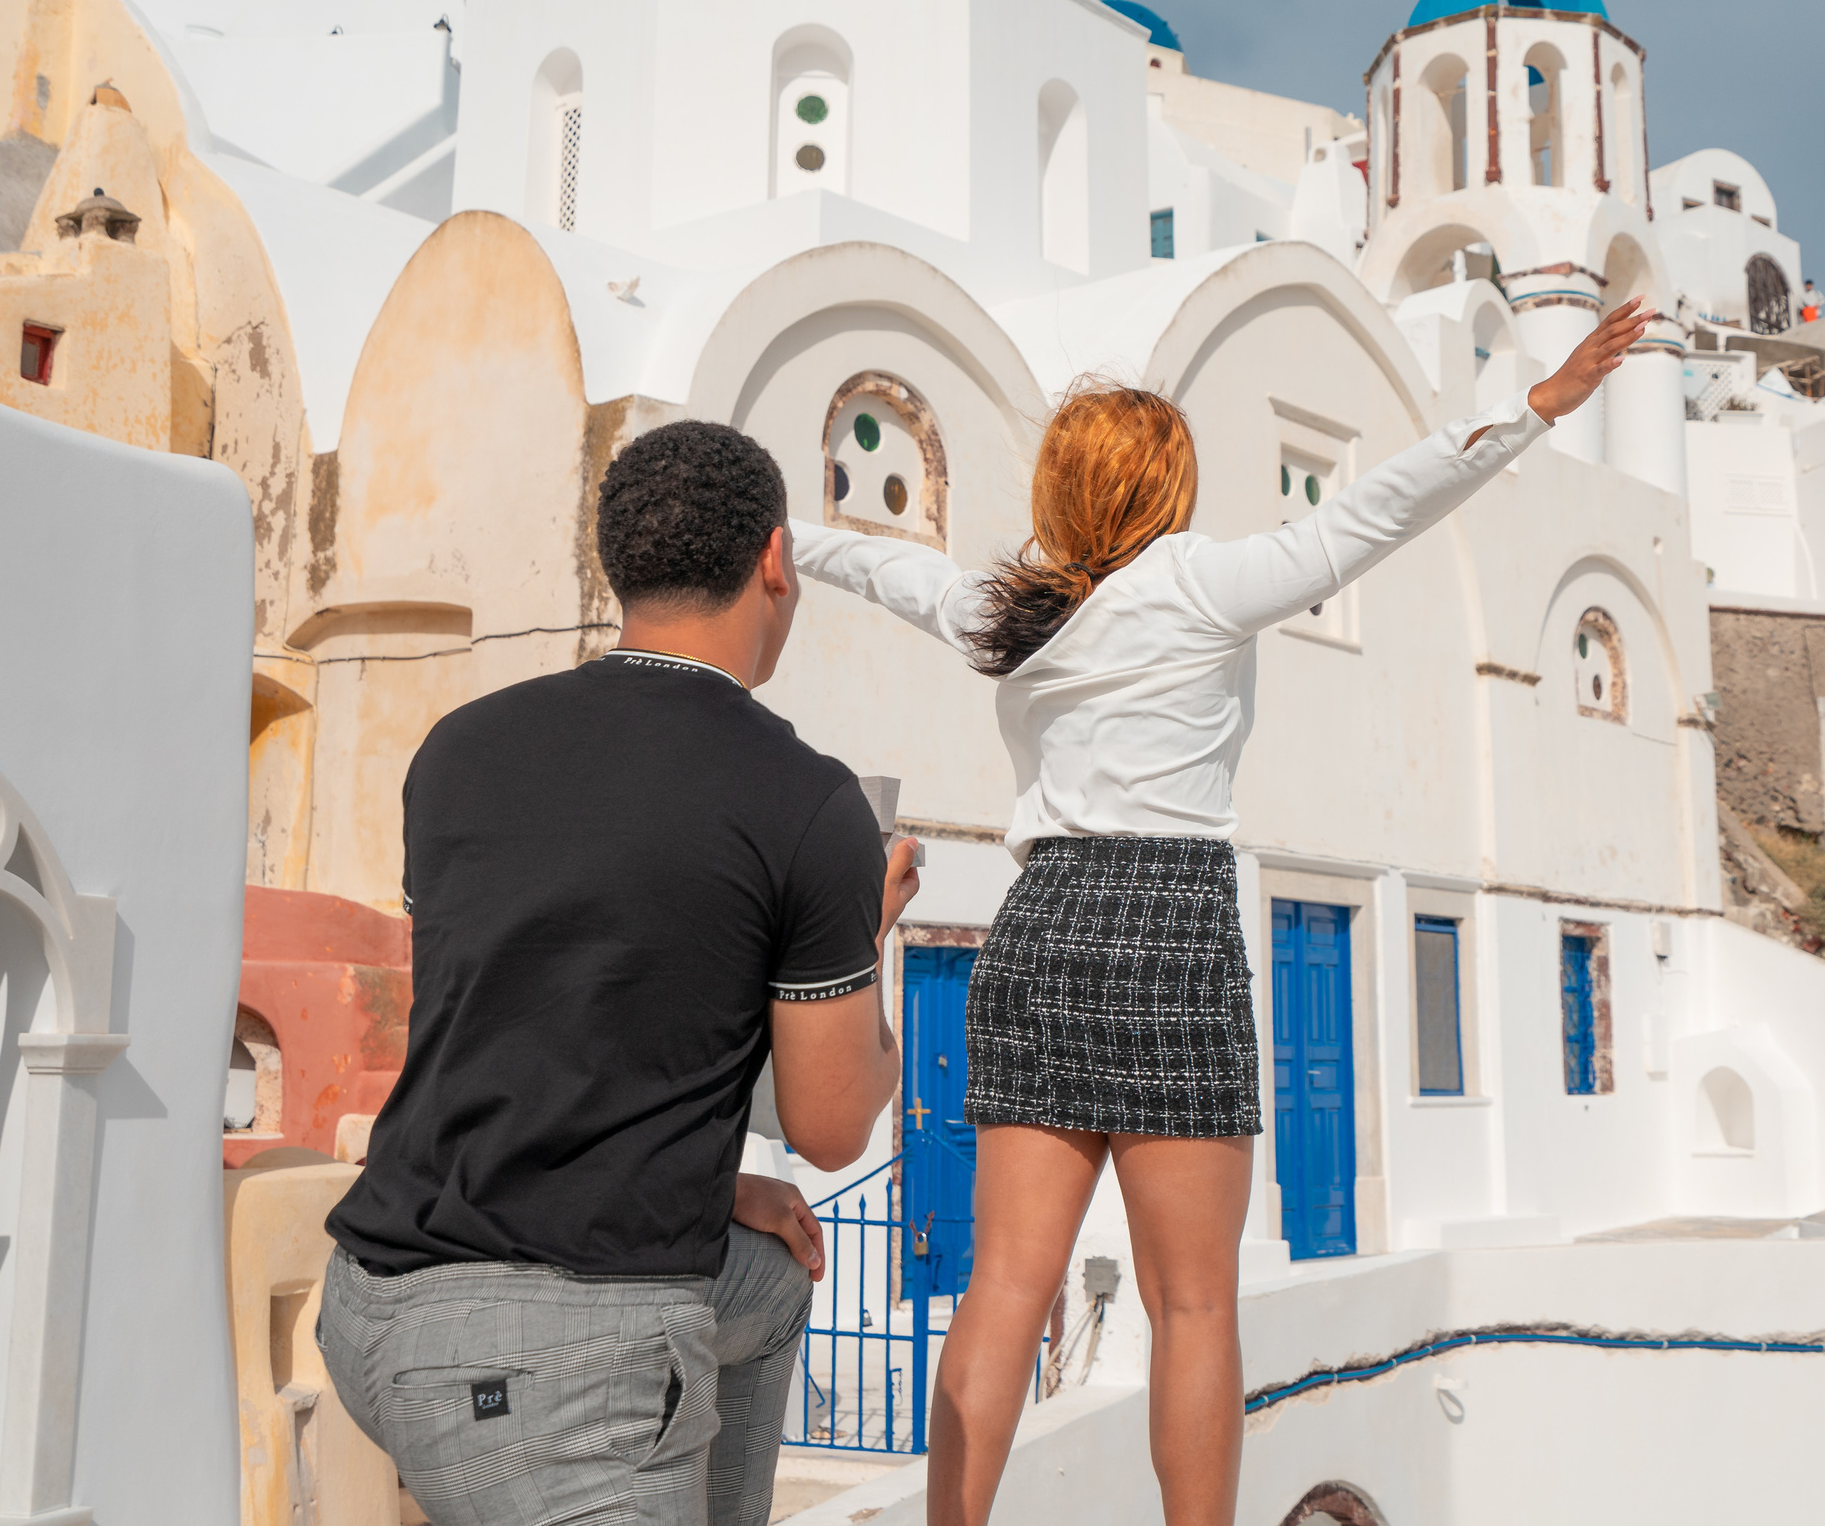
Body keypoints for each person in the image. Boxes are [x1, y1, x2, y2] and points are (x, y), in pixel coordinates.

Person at [791, 296, 1654, 1526]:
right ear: (1165, 486)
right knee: (1191, 1304)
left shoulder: (1008, 611)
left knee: (999, 1292)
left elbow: (886, 565)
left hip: (1039, 927)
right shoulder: (1203, 584)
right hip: (1175, 926)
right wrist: (1528, 409)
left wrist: (779, 535)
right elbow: (1378, 506)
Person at [317, 422, 921, 1526]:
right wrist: (858, 947)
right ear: (775, 561)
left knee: (772, 1279)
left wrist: (707, 1187)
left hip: (368, 1302)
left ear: (619, 564)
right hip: (548, 1364)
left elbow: (502, 1026)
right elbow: (832, 1127)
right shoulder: (807, 799)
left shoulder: (458, 748)